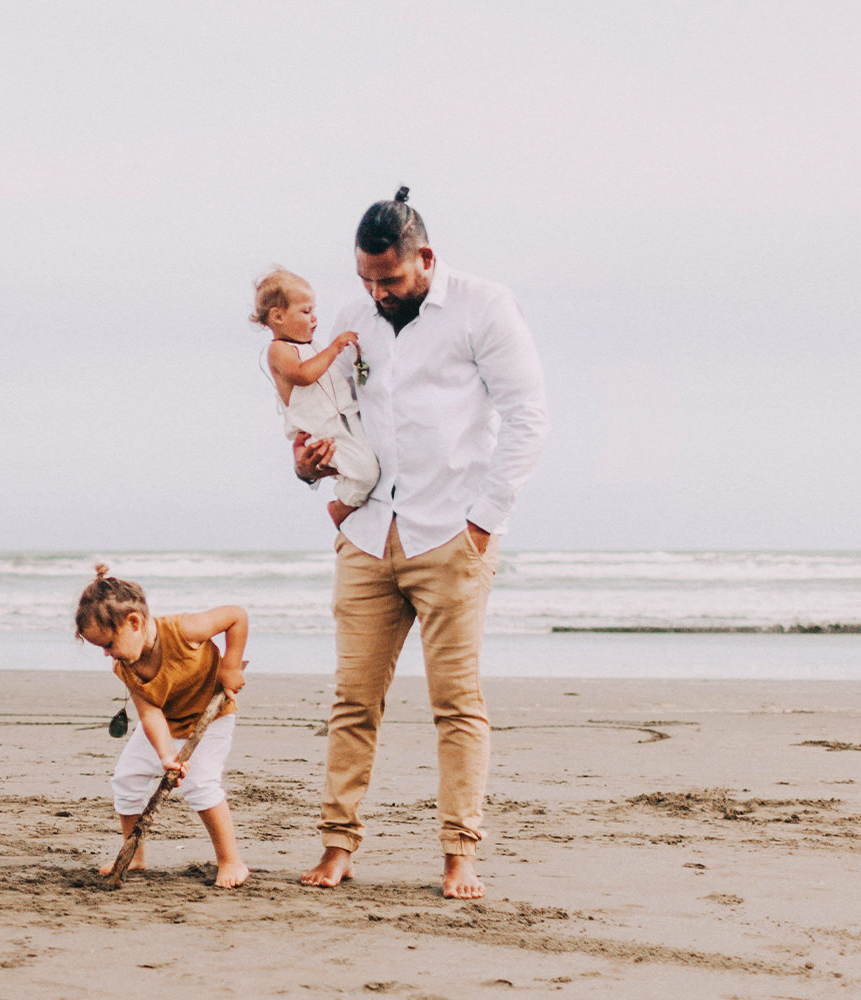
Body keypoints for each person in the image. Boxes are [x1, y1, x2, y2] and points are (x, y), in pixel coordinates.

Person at [293, 187, 548, 899]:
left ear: (425, 258)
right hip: (370, 534)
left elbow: (528, 417)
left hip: (452, 536)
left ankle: (459, 853)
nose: (377, 293)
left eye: (391, 279)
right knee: (352, 701)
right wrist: (310, 467)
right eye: (366, 279)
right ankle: (338, 844)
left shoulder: (484, 307)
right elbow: (326, 412)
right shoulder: (353, 321)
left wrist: (484, 520)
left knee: (456, 704)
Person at [74, 564, 252, 888]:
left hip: (211, 718)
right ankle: (135, 855)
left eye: (109, 644)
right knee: (126, 779)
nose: (106, 654)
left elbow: (236, 615)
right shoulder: (124, 666)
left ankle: (231, 861)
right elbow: (151, 714)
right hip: (167, 722)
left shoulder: (184, 630)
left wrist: (229, 664)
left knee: (201, 784)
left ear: (134, 623)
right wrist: (167, 755)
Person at [255, 267, 379, 520]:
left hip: (344, 420)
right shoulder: (278, 350)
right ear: (278, 317)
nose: (314, 318)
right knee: (366, 472)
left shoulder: (313, 347)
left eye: (314, 311)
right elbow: (303, 374)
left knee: (366, 467)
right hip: (322, 430)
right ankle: (341, 508)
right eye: (306, 311)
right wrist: (335, 348)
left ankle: (348, 498)